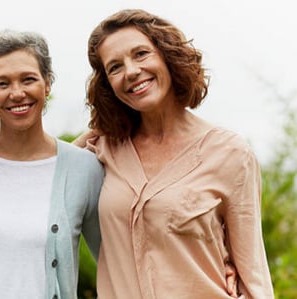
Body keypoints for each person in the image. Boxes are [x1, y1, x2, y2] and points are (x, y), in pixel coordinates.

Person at [75, 8, 273, 298]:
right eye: (114, 67)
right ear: (107, 83)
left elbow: (253, 272)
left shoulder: (230, 153)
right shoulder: (102, 148)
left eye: (141, 54)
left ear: (167, 56)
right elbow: (41, 169)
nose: (130, 71)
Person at [0, 29, 104, 299]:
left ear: (47, 83)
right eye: (2, 84)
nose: (17, 93)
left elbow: (113, 264)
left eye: (28, 79)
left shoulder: (86, 169)